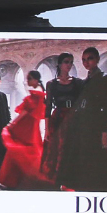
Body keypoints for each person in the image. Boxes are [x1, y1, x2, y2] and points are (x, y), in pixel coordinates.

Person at [59, 47, 107, 192]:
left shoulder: (105, 78)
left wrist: (104, 132)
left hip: (96, 128)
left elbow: (105, 106)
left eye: (89, 58)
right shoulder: (84, 82)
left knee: (99, 163)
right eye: (84, 60)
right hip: (82, 128)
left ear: (97, 59)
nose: (86, 62)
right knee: (83, 163)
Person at [0, 71, 52, 190]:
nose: (27, 81)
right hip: (32, 127)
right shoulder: (41, 94)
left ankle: (13, 181)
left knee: (18, 150)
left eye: (30, 79)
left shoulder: (35, 95)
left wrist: (13, 123)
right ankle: (16, 181)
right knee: (26, 151)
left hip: (26, 127)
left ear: (36, 80)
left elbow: (25, 112)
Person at [40, 53, 83, 185]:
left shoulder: (77, 82)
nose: (69, 65)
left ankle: (69, 180)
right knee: (56, 149)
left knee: (70, 148)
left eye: (71, 62)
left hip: (73, 118)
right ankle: (56, 180)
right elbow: (47, 107)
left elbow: (81, 103)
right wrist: (46, 129)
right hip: (57, 118)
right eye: (66, 62)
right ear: (59, 64)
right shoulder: (51, 84)